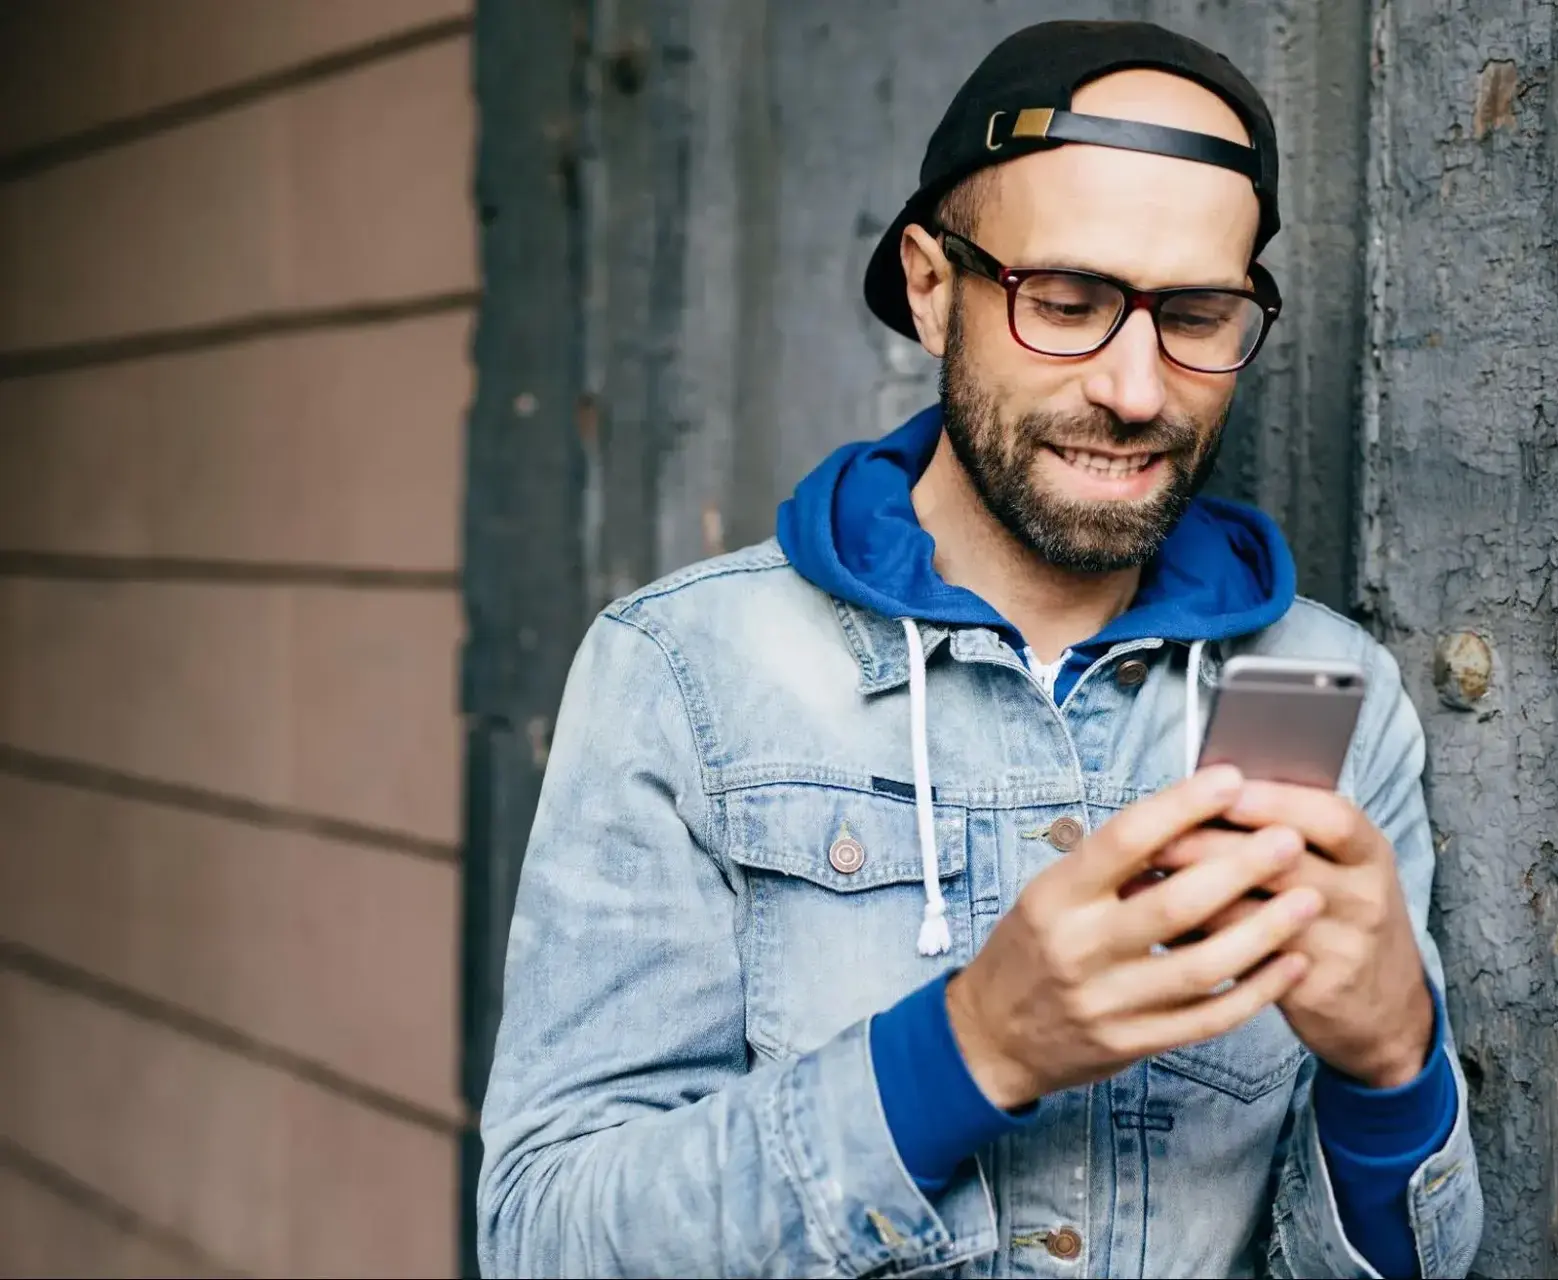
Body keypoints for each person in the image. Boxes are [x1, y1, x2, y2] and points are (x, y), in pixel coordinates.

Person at [477, 18, 1482, 1279]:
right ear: (933, 284)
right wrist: (969, 1052)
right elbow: (545, 1237)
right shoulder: (685, 670)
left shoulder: (1325, 695)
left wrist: (1391, 1072)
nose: (1134, 386)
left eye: (1198, 313)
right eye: (1065, 302)